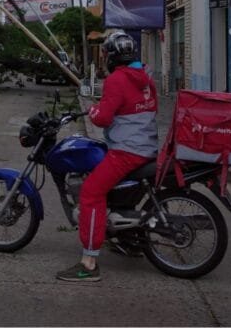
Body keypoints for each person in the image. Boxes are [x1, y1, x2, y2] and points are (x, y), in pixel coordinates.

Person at [56, 31, 158, 282]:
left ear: (112, 56)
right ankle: (127, 239)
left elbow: (102, 118)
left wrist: (93, 109)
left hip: (127, 151)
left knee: (91, 192)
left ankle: (89, 263)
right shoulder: (146, 78)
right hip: (147, 146)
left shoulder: (116, 80)